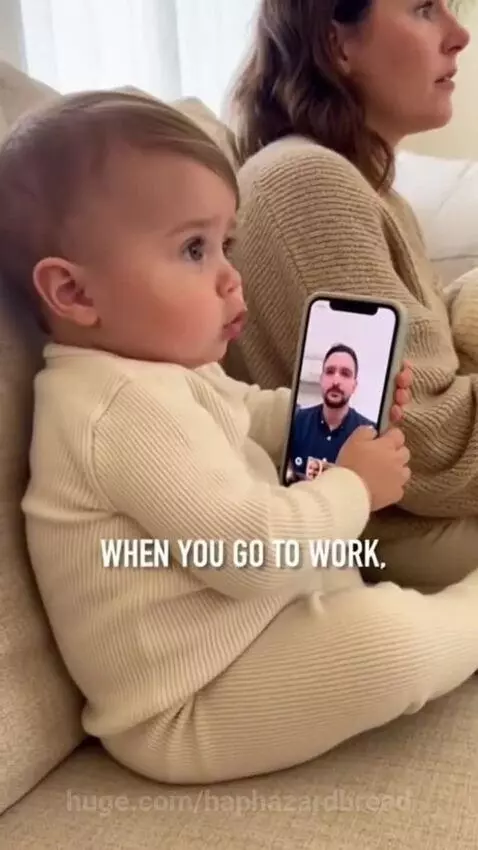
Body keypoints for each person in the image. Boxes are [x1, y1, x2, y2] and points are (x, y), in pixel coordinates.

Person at [1, 90, 476, 791]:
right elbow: (250, 553)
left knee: (359, 603)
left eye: (226, 244)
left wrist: (333, 414)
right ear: (74, 294)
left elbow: (248, 416)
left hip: (259, 632)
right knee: (385, 646)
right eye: (194, 249)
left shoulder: (160, 373)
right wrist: (352, 485)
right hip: (189, 703)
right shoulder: (114, 409)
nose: (231, 276)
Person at [226, 0, 478, 590]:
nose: (459, 35)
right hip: (391, 544)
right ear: (338, 45)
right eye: (423, 9)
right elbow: (426, 447)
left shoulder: (373, 195)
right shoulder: (307, 183)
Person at [289, 343, 376, 481]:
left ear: (354, 386)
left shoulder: (370, 435)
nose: (336, 381)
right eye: (329, 371)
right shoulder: (296, 421)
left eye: (345, 374)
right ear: (321, 380)